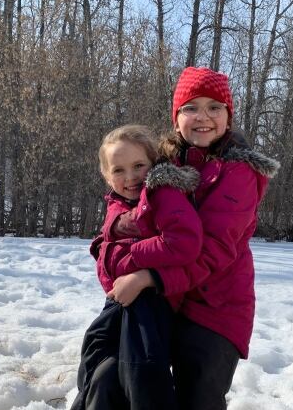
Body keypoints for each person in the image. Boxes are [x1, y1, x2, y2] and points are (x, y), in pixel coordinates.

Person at [112, 67, 280, 409]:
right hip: (170, 301)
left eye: (214, 107)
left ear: (228, 117)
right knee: (130, 382)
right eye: (191, 107)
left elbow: (210, 251)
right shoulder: (163, 165)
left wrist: (148, 276)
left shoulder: (239, 173)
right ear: (176, 119)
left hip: (217, 309)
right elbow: (126, 204)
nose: (203, 117)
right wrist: (114, 234)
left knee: (198, 398)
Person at [71, 124, 205, 410]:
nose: (130, 177)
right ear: (106, 176)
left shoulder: (162, 194)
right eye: (118, 170)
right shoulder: (117, 203)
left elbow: (184, 243)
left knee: (142, 371)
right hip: (119, 301)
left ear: (153, 164)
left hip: (151, 301)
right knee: (97, 364)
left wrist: (127, 257)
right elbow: (107, 250)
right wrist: (105, 250)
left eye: (138, 165)